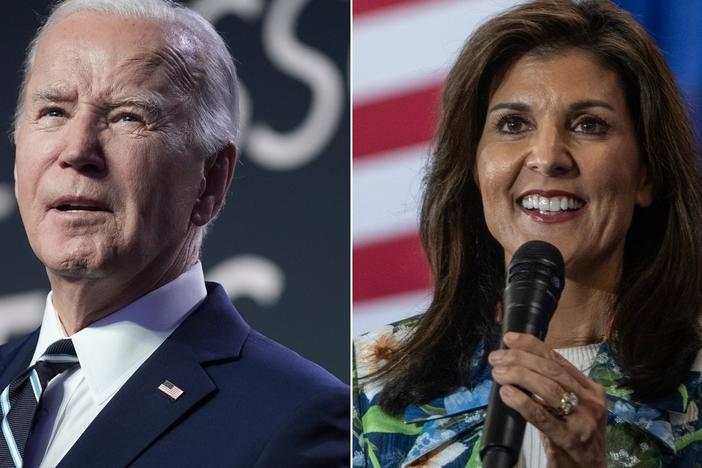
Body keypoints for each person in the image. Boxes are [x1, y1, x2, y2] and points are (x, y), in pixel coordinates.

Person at [353, 0, 702, 466]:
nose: (547, 156)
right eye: (513, 124)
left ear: (647, 174)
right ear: (475, 168)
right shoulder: (369, 380)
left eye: (589, 125)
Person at [0, 0, 349, 467]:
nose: (77, 149)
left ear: (211, 180)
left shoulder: (299, 421)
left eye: (128, 117)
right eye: (53, 112)